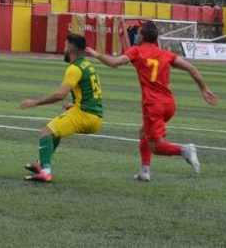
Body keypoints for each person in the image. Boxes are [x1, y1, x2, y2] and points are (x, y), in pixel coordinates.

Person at [87, 21, 218, 181]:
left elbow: (114, 63)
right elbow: (192, 69)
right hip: (169, 104)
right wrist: (204, 89)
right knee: (143, 133)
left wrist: (96, 54)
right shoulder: (165, 54)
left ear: (143, 36)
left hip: (153, 105)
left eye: (138, 32)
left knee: (156, 146)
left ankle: (185, 150)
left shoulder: (136, 51)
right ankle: (144, 171)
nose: (136, 35)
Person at [20, 33, 103, 183]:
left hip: (84, 115)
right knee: (55, 132)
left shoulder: (74, 68)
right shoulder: (88, 65)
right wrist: (74, 105)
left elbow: (60, 95)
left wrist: (34, 102)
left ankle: (45, 172)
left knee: (46, 132)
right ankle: (40, 164)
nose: (64, 49)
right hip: (95, 116)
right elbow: (92, 94)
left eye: (65, 46)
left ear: (71, 48)